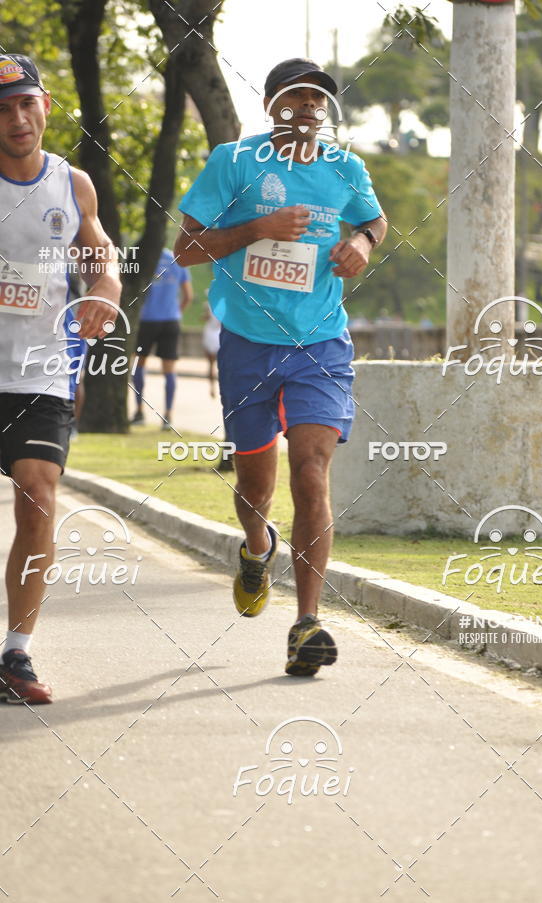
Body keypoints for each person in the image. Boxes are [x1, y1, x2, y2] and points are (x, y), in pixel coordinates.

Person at [175, 58, 387, 677]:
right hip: (248, 343)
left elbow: (373, 219)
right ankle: (256, 545)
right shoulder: (234, 162)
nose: (308, 107)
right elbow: (186, 249)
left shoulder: (344, 167)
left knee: (312, 474)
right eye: (295, 97)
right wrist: (258, 228)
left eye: (318, 98)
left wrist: (361, 243)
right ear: (271, 106)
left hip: (320, 342)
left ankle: (307, 623)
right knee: (256, 487)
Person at [0, 54, 121, 704]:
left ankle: (15, 652)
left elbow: (100, 253)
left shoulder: (72, 184)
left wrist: (106, 289)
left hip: (42, 369)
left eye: (27, 103)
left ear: (45, 105)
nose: (17, 119)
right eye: (3, 109)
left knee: (38, 493)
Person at [130, 247, 192, 429]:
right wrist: (176, 313)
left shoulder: (145, 258)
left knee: (139, 364)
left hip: (146, 320)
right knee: (169, 369)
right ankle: (168, 415)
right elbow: (188, 296)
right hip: (170, 321)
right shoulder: (178, 260)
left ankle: (139, 411)